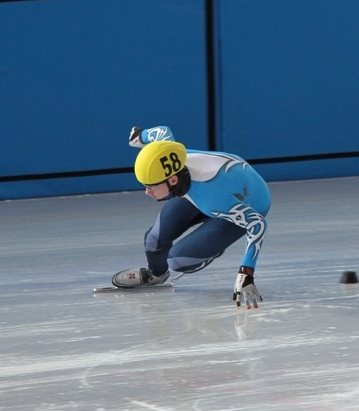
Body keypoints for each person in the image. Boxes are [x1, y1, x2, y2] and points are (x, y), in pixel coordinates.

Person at [112, 126, 271, 308]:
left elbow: (257, 223)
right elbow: (161, 132)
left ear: (172, 180)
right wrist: (139, 136)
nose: (147, 192)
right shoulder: (169, 151)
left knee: (178, 261)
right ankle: (156, 274)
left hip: (244, 205)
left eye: (152, 186)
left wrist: (246, 273)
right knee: (154, 239)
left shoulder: (214, 199)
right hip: (210, 192)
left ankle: (211, 249)